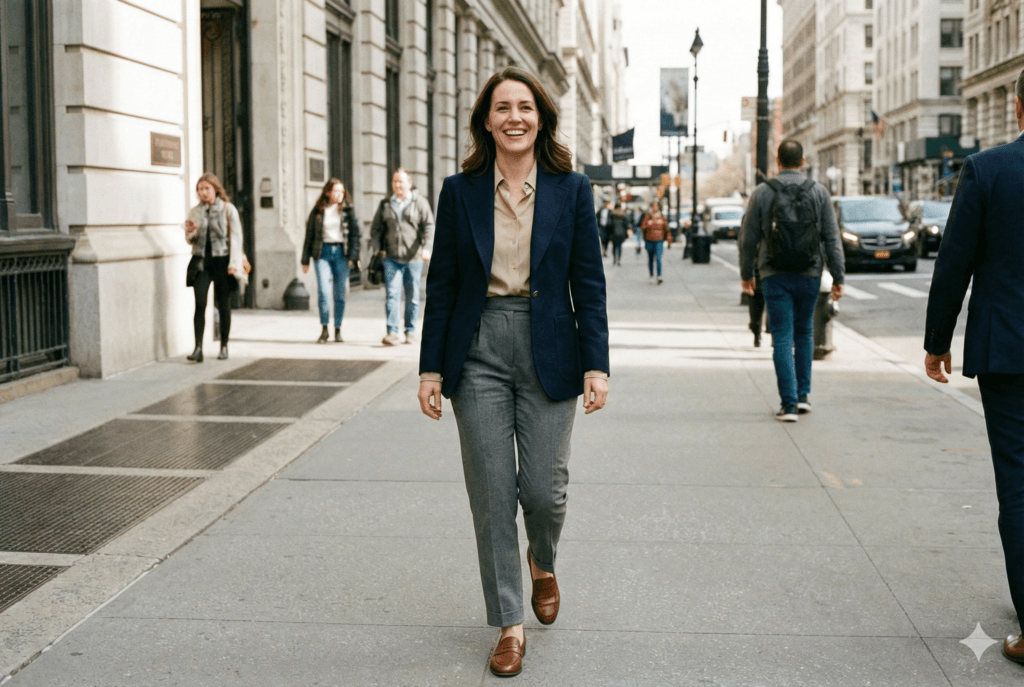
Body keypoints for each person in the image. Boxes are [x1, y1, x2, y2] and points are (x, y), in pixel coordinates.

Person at [416, 66, 609, 678]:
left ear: (542, 117)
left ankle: (542, 559)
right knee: (493, 496)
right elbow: (442, 284)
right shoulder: (460, 190)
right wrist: (429, 370)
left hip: (551, 346)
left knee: (544, 492)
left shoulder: (572, 190)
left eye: (524, 107)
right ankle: (509, 624)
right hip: (477, 352)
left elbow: (590, 284)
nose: (514, 118)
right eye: (502, 108)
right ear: (486, 120)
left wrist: (597, 363)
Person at [924, 69, 1024, 666]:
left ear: (1016, 108)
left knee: (1018, 484)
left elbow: (953, 262)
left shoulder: (987, 170)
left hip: (1009, 353)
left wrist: (937, 341)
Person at [738, 139, 844, 421]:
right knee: (805, 332)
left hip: (774, 274)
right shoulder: (819, 192)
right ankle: (803, 396)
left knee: (782, 336)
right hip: (810, 272)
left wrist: (746, 274)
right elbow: (832, 238)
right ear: (803, 161)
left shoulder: (762, 192)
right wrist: (838, 276)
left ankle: (788, 405)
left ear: (777, 161)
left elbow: (748, 238)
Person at [184, 173, 247, 362]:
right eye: (200, 189)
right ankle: (198, 348)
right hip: (202, 262)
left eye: (206, 188)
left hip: (222, 262)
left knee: (224, 304)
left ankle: (224, 346)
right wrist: (190, 232)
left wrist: (234, 264)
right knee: (200, 304)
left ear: (215, 189)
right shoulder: (195, 211)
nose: (203, 193)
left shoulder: (228, 209)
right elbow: (189, 240)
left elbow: (236, 238)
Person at [369, 168, 435, 346]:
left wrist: (427, 248)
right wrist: (376, 249)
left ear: (409, 183)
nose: (397, 185)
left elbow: (429, 226)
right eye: (395, 181)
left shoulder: (419, 202)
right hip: (391, 258)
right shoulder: (385, 204)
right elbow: (375, 229)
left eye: (401, 181)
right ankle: (392, 332)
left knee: (412, 297)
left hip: (413, 258)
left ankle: (410, 331)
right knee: (392, 294)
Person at [301, 178, 361, 343]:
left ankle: (338, 329)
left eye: (342, 191)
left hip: (342, 253)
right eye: (336, 191)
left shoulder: (348, 210)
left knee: (340, 293)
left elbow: (355, 235)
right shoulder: (318, 211)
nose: (340, 194)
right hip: (323, 253)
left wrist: (353, 257)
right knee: (324, 292)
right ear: (328, 192)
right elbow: (309, 236)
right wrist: (305, 260)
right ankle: (325, 328)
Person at [641, 200, 670, 284]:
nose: (655, 208)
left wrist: (669, 241)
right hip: (649, 240)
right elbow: (643, 227)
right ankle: (651, 275)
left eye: (656, 206)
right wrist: (649, 224)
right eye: (653, 206)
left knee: (658, 258)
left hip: (659, 240)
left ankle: (659, 276)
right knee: (650, 258)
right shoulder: (648, 216)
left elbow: (666, 229)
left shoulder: (662, 217)